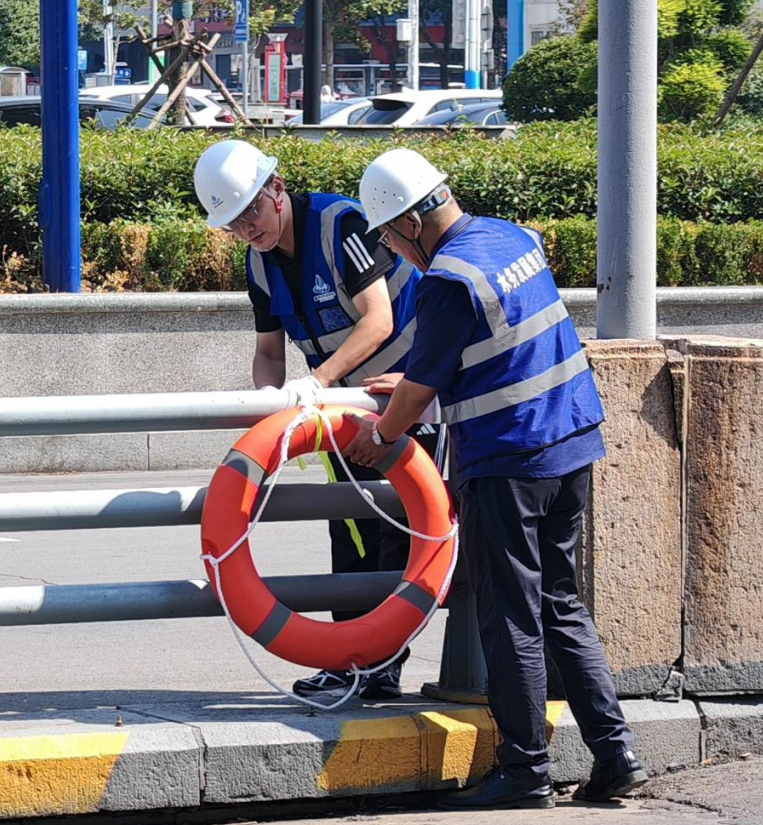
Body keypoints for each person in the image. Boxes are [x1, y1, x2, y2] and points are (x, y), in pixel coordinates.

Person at [342, 147, 648, 810]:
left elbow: (418, 393)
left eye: (391, 239)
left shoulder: (447, 278)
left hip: (510, 457)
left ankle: (525, 767)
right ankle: (616, 752)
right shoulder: (510, 237)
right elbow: (495, 344)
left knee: (511, 617)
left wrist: (382, 434)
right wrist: (421, 377)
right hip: (570, 440)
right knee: (561, 602)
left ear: (412, 223)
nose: (394, 252)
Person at [193, 139, 438, 701]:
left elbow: (378, 321)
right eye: (232, 223)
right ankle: (348, 656)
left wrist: (318, 383)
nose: (246, 228)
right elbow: (268, 354)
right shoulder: (257, 262)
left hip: (404, 399)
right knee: (348, 527)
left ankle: (382, 662)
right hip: (335, 414)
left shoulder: (340, 224)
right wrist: (270, 414)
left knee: (395, 530)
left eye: (251, 211)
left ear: (276, 187)